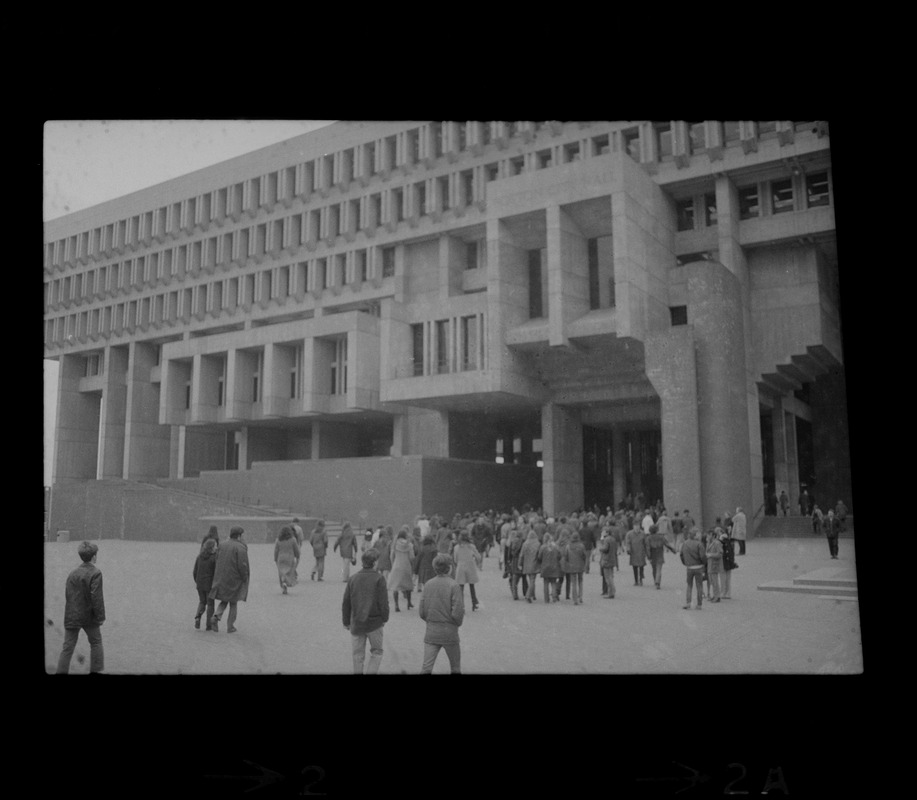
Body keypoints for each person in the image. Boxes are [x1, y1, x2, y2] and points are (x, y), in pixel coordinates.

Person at [56, 541, 106, 674]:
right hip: (89, 616)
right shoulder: (96, 573)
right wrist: (100, 617)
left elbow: (68, 594)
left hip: (72, 615)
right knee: (96, 642)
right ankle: (96, 671)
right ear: (94, 556)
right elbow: (97, 598)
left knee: (67, 648)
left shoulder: (72, 573)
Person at [342, 549, 390, 674]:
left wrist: (346, 621)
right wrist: (384, 618)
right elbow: (383, 602)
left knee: (357, 655)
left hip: (357, 622)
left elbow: (346, 602)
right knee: (377, 652)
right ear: (374, 562)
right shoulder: (379, 579)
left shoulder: (353, 579)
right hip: (375, 623)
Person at [419, 554, 465, 674]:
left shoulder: (428, 584)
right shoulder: (454, 585)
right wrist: (456, 624)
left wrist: (431, 620)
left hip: (431, 632)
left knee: (426, 667)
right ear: (449, 567)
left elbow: (422, 611)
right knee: (455, 667)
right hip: (449, 631)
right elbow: (458, 612)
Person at [209, 526, 250, 633]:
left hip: (222, 577)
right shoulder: (240, 547)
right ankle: (230, 626)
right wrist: (244, 576)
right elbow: (242, 565)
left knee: (225, 599)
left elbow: (217, 559)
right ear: (239, 536)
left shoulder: (222, 545)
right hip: (234, 579)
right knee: (233, 602)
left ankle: (216, 616)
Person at [388, 527, 416, 612]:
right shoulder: (409, 545)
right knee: (408, 585)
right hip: (406, 565)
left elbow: (391, 556)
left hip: (397, 565)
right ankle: (409, 603)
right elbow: (412, 557)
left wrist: (393, 564)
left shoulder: (395, 544)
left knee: (396, 586)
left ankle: (396, 605)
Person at [452, 531, 482, 611]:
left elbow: (455, 559)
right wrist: (477, 562)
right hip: (470, 566)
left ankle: (462, 606)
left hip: (461, 566)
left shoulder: (456, 547)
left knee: (461, 587)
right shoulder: (471, 546)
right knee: (472, 586)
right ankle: (474, 603)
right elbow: (478, 557)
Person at [193, 538, 218, 629]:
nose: (217, 547)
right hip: (209, 585)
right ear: (211, 548)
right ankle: (209, 625)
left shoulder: (199, 557)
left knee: (202, 601)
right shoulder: (214, 558)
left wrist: (197, 581)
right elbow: (216, 573)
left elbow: (195, 571)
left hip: (200, 584)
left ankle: (197, 617)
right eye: (215, 546)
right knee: (210, 604)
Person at [680, 528, 706, 610]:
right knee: (699, 586)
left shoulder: (685, 544)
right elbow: (702, 556)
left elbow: (681, 555)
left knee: (689, 585)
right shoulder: (699, 544)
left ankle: (688, 602)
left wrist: (685, 563)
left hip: (689, 567)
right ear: (695, 535)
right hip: (698, 567)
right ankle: (699, 604)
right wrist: (704, 563)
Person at [645, 523, 676, 589]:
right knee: (659, 569)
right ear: (657, 530)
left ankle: (655, 581)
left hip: (652, 554)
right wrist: (673, 550)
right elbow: (667, 544)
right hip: (659, 553)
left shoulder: (648, 538)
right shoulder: (661, 537)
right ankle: (658, 582)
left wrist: (648, 557)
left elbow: (647, 548)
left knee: (654, 569)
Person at [562, 531, 587, 605]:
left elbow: (565, 556)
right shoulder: (581, 546)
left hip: (572, 566)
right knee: (580, 581)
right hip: (580, 566)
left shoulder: (568, 546)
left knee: (574, 583)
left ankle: (575, 599)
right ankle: (580, 597)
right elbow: (584, 555)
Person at [273, 525, 300, 594]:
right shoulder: (293, 539)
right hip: (290, 558)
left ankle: (283, 584)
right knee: (289, 572)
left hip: (281, 558)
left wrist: (275, 558)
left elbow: (276, 550)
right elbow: (296, 549)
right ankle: (286, 582)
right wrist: (297, 556)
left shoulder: (278, 540)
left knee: (281, 572)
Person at [538, 532, 562, 603]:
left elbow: (539, 557)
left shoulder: (543, 547)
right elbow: (559, 556)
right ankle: (554, 598)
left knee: (546, 583)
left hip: (545, 567)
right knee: (553, 583)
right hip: (554, 567)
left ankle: (546, 599)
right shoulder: (556, 547)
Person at [518, 530, 542, 603]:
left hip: (526, 564)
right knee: (533, 580)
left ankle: (532, 595)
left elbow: (521, 555)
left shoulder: (525, 544)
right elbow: (539, 555)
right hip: (534, 564)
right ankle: (529, 595)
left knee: (530, 580)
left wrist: (519, 564)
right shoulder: (538, 544)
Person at [625, 522, 647, 586]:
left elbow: (645, 543)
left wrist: (647, 552)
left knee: (641, 567)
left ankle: (641, 580)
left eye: (638, 527)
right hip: (633, 552)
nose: (637, 528)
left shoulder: (643, 533)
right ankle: (636, 580)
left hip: (641, 552)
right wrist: (628, 549)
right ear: (633, 527)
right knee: (634, 567)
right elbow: (628, 542)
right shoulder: (629, 534)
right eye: (636, 527)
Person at [705, 527, 723, 603]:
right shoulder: (709, 543)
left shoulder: (717, 543)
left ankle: (717, 596)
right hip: (710, 564)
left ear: (712, 535)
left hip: (714, 564)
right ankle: (715, 595)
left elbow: (720, 554)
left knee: (715, 581)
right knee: (712, 581)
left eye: (708, 535)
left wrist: (711, 555)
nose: (707, 537)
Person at [598, 528, 617, 599]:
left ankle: (610, 592)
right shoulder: (613, 539)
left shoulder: (606, 540)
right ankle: (612, 591)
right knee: (611, 576)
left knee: (608, 578)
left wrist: (600, 548)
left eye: (603, 532)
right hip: (612, 559)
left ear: (607, 533)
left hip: (606, 560)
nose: (602, 533)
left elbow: (605, 548)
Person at [720, 527, 737, 599]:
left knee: (723, 578)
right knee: (728, 578)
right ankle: (728, 593)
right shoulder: (729, 541)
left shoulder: (721, 542)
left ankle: (723, 593)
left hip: (723, 562)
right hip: (729, 562)